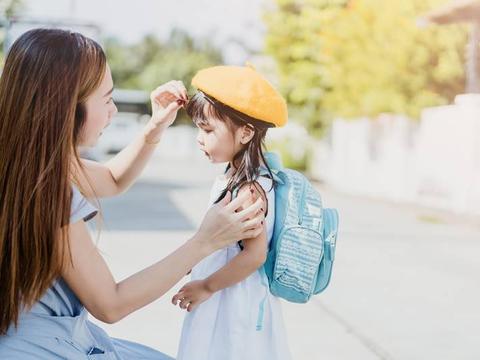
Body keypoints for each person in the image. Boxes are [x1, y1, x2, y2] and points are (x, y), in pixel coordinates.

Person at [0, 29, 264, 359]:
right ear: (67, 107)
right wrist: (205, 241)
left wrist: (155, 128)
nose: (112, 112)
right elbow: (111, 303)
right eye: (107, 99)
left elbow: (112, 178)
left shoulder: (25, 160)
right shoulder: (47, 191)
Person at [172, 65, 292, 360]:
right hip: (226, 295)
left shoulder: (249, 189)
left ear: (246, 133)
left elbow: (254, 255)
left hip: (233, 302)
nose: (200, 138)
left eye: (208, 129)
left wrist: (206, 286)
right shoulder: (237, 178)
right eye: (199, 129)